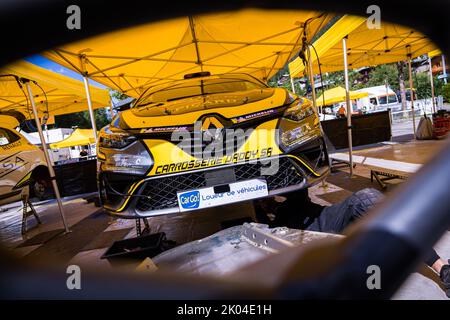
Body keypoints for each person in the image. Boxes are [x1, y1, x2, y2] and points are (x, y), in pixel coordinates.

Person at [254, 188, 450, 298]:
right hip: (316, 229)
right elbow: (266, 231)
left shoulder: (291, 201)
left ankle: (444, 270)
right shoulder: (278, 217)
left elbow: (300, 188)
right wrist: (263, 208)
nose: (267, 201)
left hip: (328, 216)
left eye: (267, 199)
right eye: (264, 201)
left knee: (388, 216)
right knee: (364, 198)